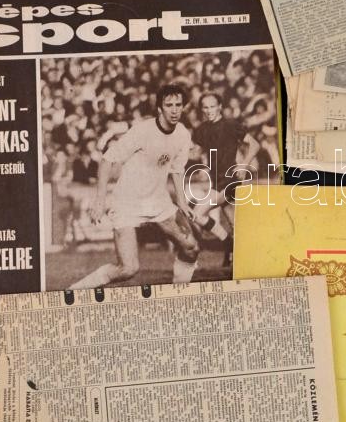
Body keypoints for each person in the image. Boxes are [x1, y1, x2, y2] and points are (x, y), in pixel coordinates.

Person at [69, 83, 199, 289]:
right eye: (169, 105)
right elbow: (107, 159)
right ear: (159, 108)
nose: (174, 110)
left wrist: (182, 202)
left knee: (191, 247)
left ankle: (179, 292)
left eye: (178, 105)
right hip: (127, 203)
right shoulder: (142, 131)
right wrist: (100, 200)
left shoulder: (182, 134)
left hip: (158, 202)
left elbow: (177, 169)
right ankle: (74, 291)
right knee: (128, 269)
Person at [191, 92, 260, 254]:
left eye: (212, 106)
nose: (209, 110)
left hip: (229, 178)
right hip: (216, 179)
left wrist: (243, 165)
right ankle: (237, 256)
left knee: (197, 214)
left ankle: (227, 242)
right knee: (235, 223)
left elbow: (255, 145)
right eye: (205, 107)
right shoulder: (201, 130)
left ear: (220, 107)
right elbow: (195, 153)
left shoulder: (230, 125)